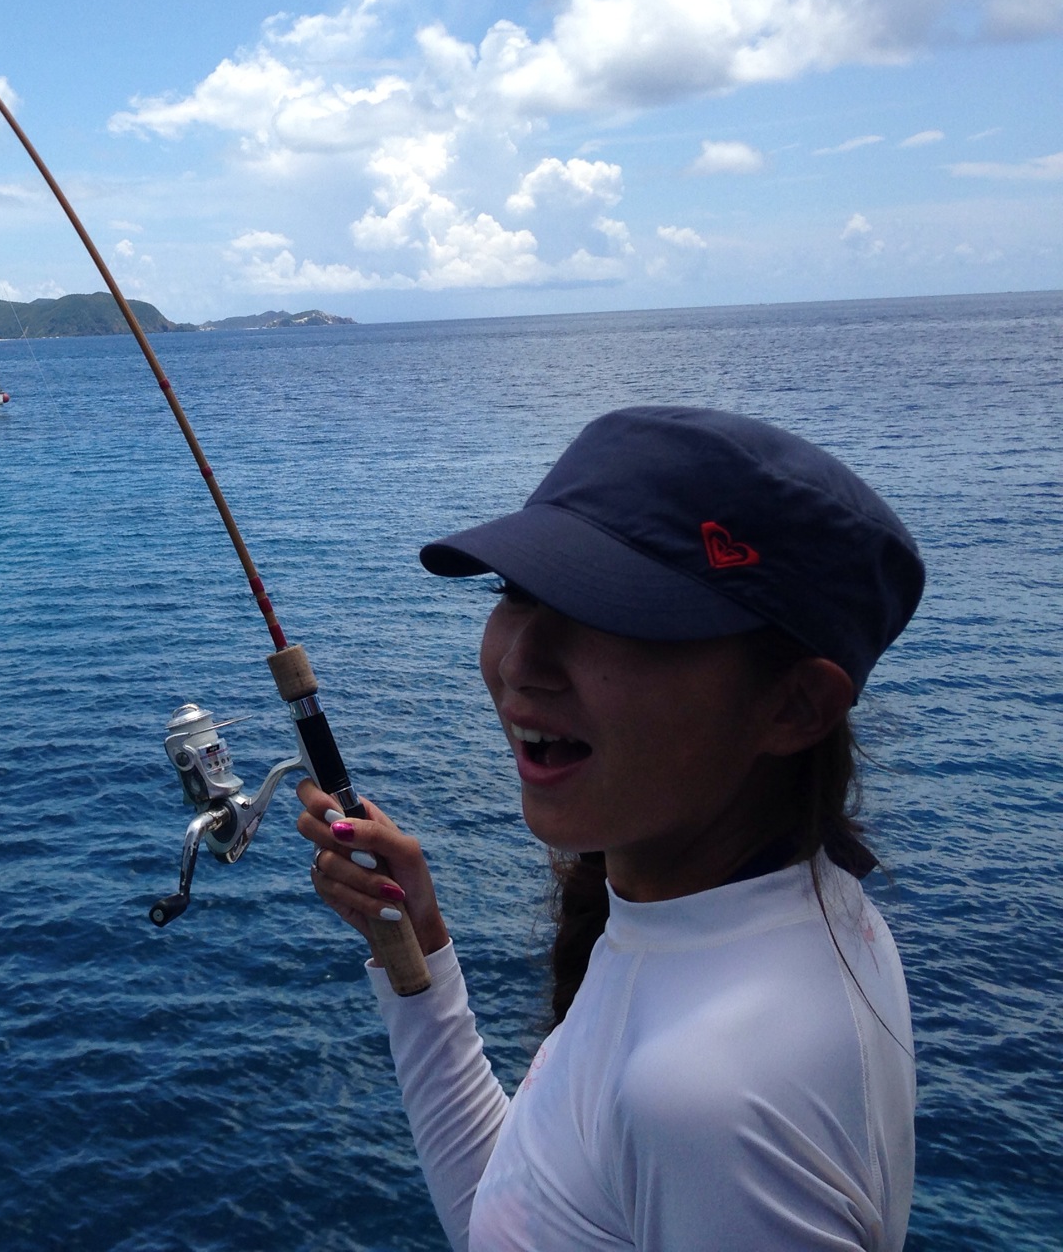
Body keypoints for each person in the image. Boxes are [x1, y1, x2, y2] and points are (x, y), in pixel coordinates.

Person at [299, 406, 923, 1251]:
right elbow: (521, 1213)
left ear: (795, 705)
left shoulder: (709, 1096)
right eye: (519, 592)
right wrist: (421, 950)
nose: (521, 661)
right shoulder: (796, 911)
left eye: (621, 616)